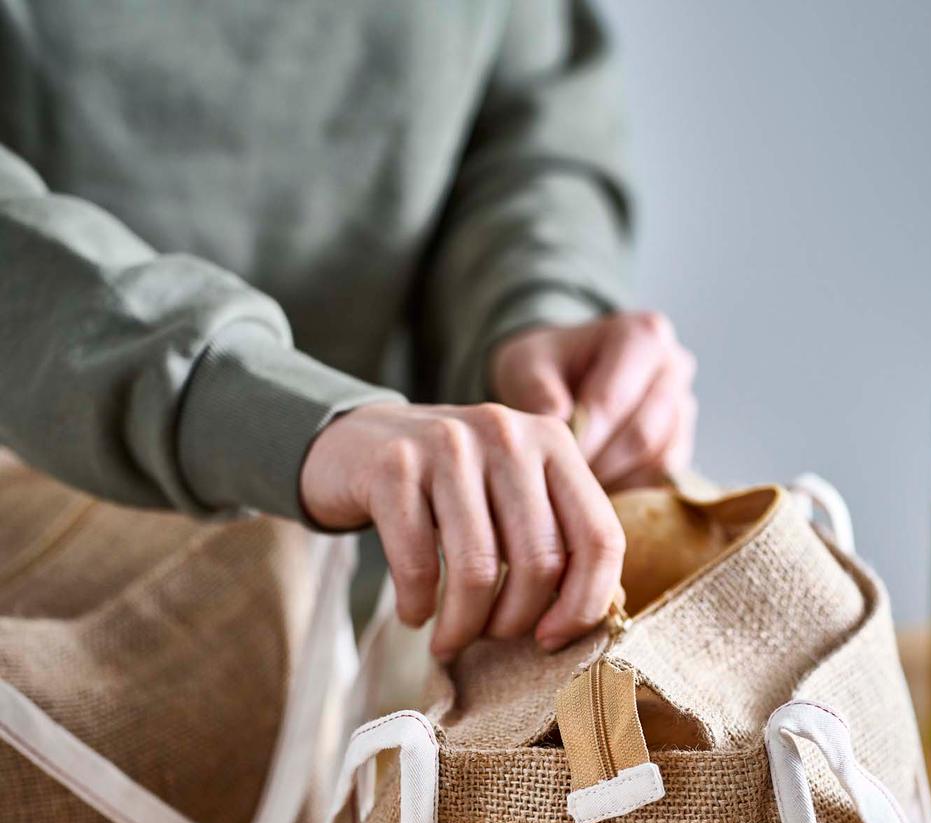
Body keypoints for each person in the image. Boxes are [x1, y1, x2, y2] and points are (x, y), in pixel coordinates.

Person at [0, 0, 696, 657]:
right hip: (45, 614)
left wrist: (536, 312)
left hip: (402, 613)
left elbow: (524, 116)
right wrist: (278, 415)